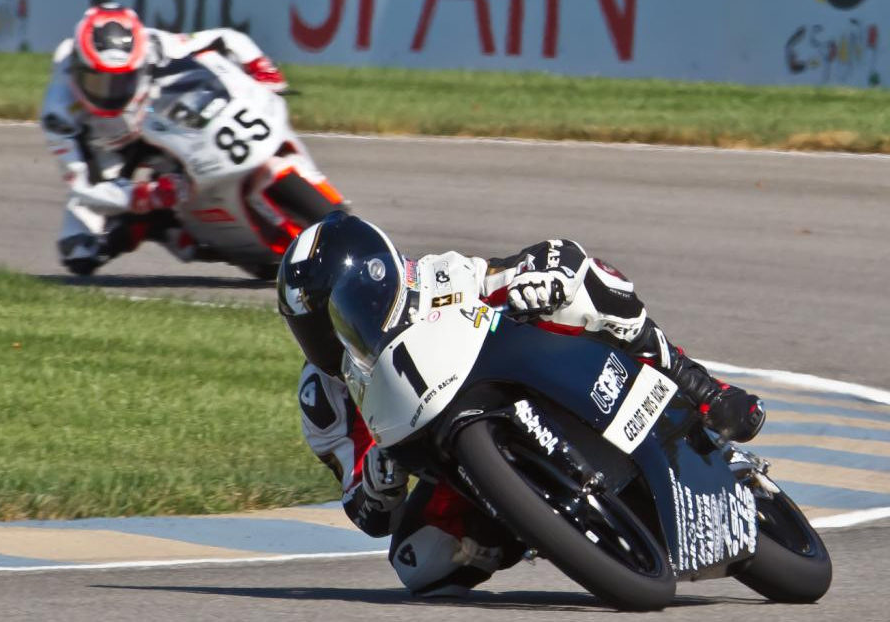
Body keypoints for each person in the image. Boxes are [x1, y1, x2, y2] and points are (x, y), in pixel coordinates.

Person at [277, 210, 766, 598]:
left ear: (380, 276)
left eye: (345, 307)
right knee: (418, 563)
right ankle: (540, 527)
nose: (340, 329)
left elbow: (532, 264)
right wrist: (374, 486)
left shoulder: (437, 277)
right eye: (319, 326)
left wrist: (542, 279)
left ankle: (700, 389)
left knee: (583, 290)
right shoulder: (323, 399)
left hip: (521, 369)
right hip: (448, 459)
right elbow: (364, 512)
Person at [41, 2, 289, 276]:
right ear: (78, 68)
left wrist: (261, 69)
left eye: (122, 80)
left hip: (154, 118)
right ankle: (159, 227)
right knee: (79, 252)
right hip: (106, 153)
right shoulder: (58, 111)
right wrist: (142, 196)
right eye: (99, 82)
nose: (111, 93)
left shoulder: (155, 43)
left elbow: (227, 39)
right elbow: (82, 186)